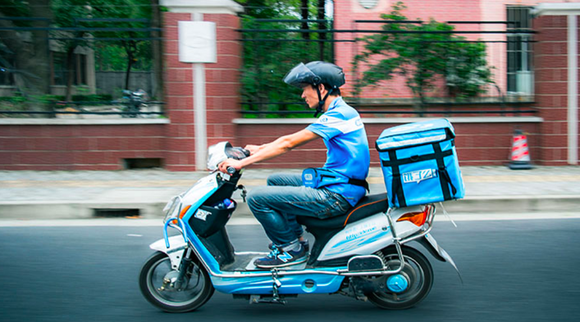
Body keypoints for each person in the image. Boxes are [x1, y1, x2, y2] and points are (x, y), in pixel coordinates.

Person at [218, 61, 370, 268]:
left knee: (256, 198)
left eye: (305, 89)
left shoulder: (340, 115)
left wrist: (241, 163)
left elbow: (289, 143)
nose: (302, 95)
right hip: (340, 184)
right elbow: (288, 140)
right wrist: (260, 148)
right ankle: (297, 241)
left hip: (337, 195)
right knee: (276, 180)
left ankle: (289, 249)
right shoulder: (340, 111)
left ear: (321, 88)